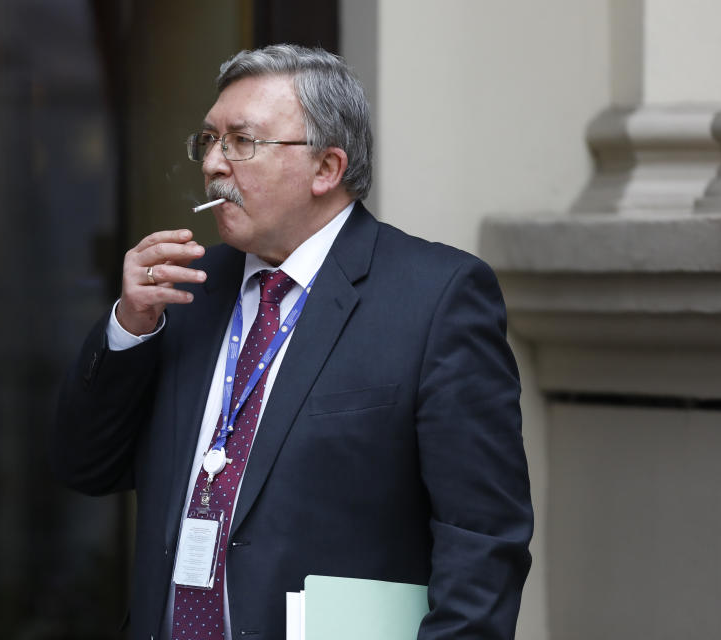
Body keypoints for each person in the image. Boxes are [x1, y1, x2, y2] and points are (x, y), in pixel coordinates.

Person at [51, 44, 533, 640]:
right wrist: (129, 325)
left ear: (327, 169)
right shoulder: (187, 292)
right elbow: (85, 466)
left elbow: (483, 539)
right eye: (208, 140)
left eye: (242, 141)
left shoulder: (436, 298)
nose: (214, 164)